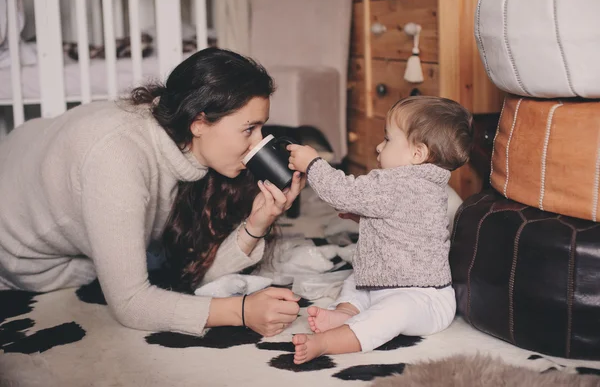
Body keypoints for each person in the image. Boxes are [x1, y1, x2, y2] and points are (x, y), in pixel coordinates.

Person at [0, 48, 306, 337]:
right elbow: (131, 303)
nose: (258, 143)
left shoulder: (182, 135)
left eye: (261, 129)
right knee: (148, 269)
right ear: (199, 122)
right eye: (249, 129)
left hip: (30, 151)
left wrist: (258, 222)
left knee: (161, 262)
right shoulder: (118, 160)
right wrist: (240, 311)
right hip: (20, 251)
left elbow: (192, 269)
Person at [286, 96, 473, 364]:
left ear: (417, 154)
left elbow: (342, 192)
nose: (378, 146)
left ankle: (330, 341)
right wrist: (367, 220)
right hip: (384, 281)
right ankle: (346, 311)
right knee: (357, 280)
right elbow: (404, 229)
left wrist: (313, 164)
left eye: (387, 139)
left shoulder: (398, 184)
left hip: (422, 298)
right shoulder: (424, 186)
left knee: (394, 311)